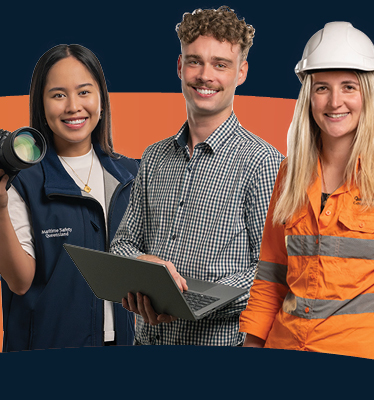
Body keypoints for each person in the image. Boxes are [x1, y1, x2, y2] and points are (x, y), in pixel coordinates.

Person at [238, 22, 374, 367]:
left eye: (349, 87)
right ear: (308, 96)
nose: (335, 102)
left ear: (369, 93)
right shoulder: (290, 173)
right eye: (322, 88)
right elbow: (269, 281)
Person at [110, 6, 284, 346]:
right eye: (195, 61)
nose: (205, 75)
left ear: (241, 72)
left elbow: (276, 272)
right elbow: (123, 244)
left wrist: (193, 302)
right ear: (179, 67)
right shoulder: (154, 157)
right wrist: (141, 267)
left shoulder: (264, 163)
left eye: (220, 64)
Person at [0, 44, 137, 351]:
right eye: (58, 95)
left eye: (84, 92)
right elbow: (20, 282)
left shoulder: (131, 175)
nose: (73, 106)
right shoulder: (22, 179)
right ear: (42, 104)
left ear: (101, 100)